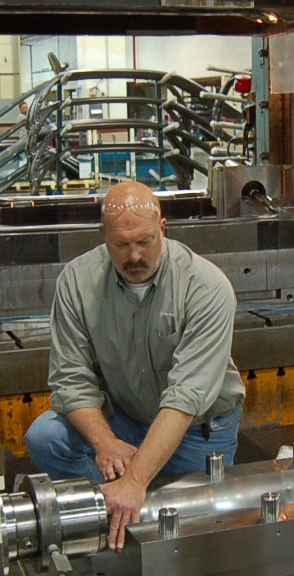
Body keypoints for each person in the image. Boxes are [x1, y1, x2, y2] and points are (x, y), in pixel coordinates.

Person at [24, 181, 244, 550]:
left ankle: (127, 504)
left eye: (144, 242)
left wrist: (136, 479)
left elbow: (186, 396)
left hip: (197, 429)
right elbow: (70, 379)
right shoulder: (78, 282)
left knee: (193, 542)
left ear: (163, 227)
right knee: (46, 437)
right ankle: (109, 521)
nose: (134, 256)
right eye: (121, 245)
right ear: (102, 235)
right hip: (126, 418)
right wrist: (106, 442)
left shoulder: (206, 287)